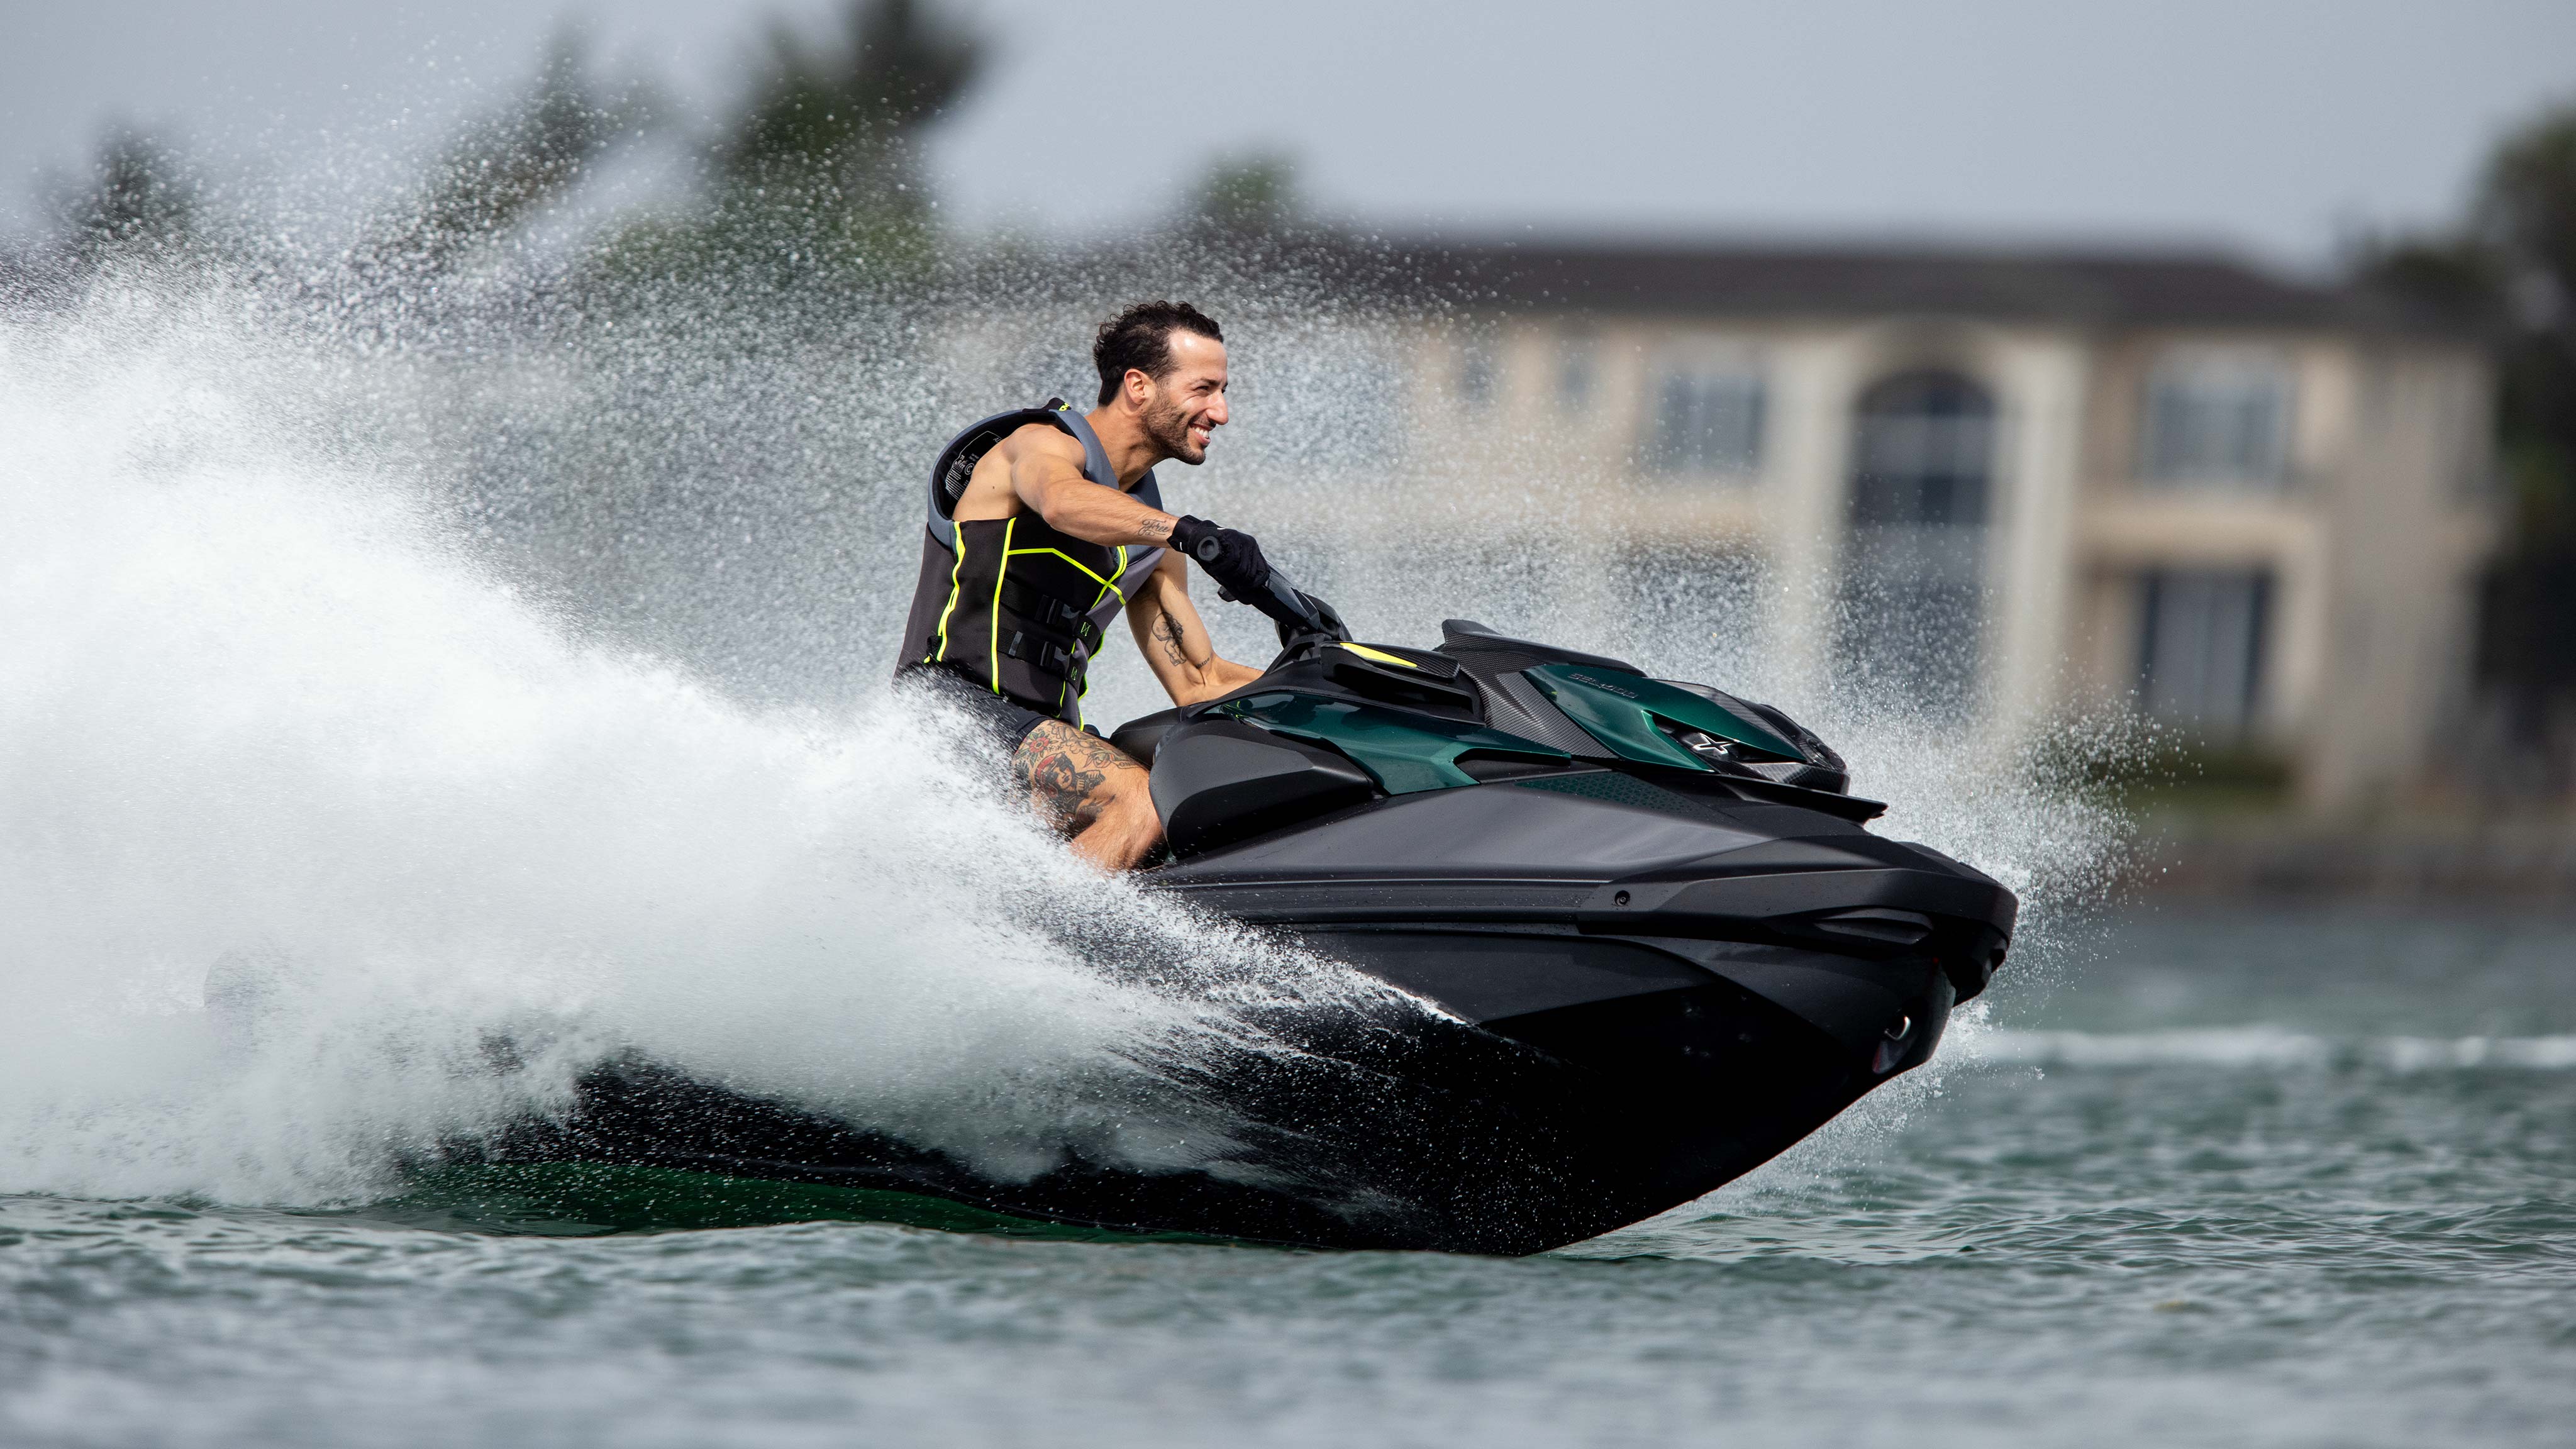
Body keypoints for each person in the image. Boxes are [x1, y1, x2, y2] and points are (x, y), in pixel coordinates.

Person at [894, 300, 1286, 870]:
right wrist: (1189, 534)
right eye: (1204, 389)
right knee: (1136, 800)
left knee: (1187, 798)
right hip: (950, 706)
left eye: (1223, 391)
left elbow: (1201, 681)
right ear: (1138, 386)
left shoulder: (1149, 540)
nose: (1220, 412)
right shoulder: (1037, 446)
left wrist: (1343, 676)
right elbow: (1061, 502)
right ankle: (1030, 955)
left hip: (1037, 736)